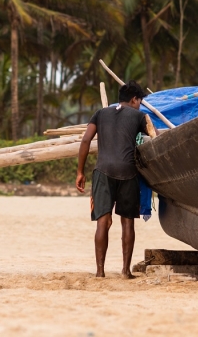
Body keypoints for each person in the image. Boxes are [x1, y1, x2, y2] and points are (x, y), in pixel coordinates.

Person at [76, 80, 152, 279]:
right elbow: (156, 138)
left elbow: (85, 140)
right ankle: (126, 271)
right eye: (140, 101)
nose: (140, 105)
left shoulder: (100, 114)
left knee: (103, 222)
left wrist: (80, 172)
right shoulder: (140, 116)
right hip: (128, 171)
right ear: (134, 99)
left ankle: (100, 272)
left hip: (103, 171)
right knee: (127, 223)